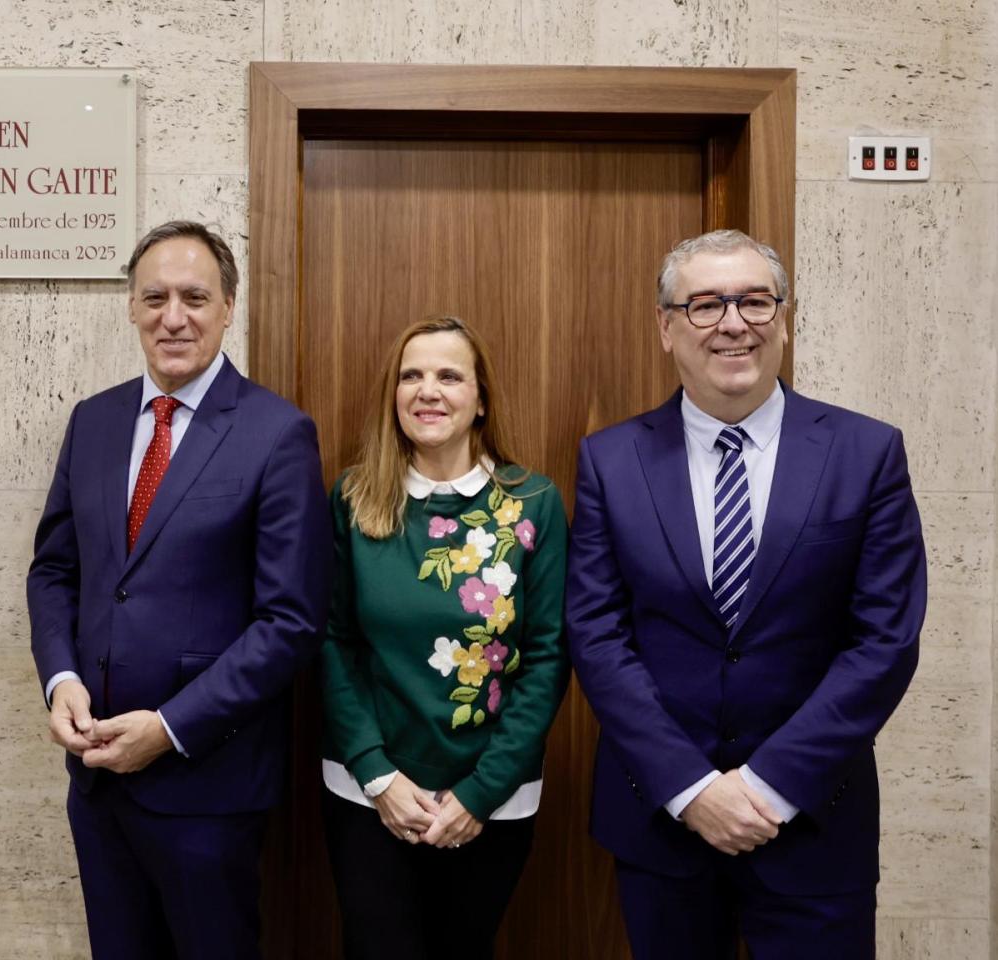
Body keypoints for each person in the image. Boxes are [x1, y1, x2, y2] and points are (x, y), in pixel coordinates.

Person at [566, 229, 926, 959]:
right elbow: (597, 636)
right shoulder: (610, 459)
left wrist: (770, 786)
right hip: (663, 823)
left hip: (816, 823)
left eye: (755, 302)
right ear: (665, 327)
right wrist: (692, 788)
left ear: (784, 319)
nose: (734, 323)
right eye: (705, 305)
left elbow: (884, 641)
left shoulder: (867, 453)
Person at [25, 220, 330, 960]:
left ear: (228, 308)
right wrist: (61, 679)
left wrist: (167, 728)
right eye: (155, 297)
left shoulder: (277, 433)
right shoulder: (93, 422)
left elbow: (290, 621)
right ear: (131, 306)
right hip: (98, 785)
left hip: (208, 788)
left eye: (194, 298)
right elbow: (55, 570)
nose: (173, 317)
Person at [321, 315, 569, 959]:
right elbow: (333, 643)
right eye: (411, 376)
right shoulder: (354, 498)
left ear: (480, 399)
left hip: (492, 797)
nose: (427, 390)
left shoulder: (533, 505)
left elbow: (547, 658)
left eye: (449, 376)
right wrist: (377, 775)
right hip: (370, 791)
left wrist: (480, 794)